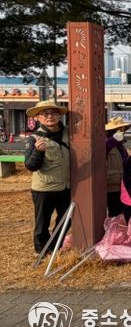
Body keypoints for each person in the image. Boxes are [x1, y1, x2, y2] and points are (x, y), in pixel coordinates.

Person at [24, 100, 71, 254]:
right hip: (44, 189)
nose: (50, 116)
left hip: (65, 187)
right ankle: (41, 253)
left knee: (66, 219)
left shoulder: (69, 133)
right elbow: (30, 166)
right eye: (45, 114)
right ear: (38, 117)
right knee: (42, 223)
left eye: (53, 113)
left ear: (59, 115)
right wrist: (39, 152)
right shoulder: (34, 138)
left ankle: (54, 247)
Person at [105, 116, 131, 217]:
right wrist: (113, 140)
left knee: (121, 213)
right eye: (118, 129)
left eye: (122, 129)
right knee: (114, 213)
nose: (121, 131)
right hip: (110, 185)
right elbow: (102, 152)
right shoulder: (107, 142)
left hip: (122, 184)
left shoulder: (121, 145)